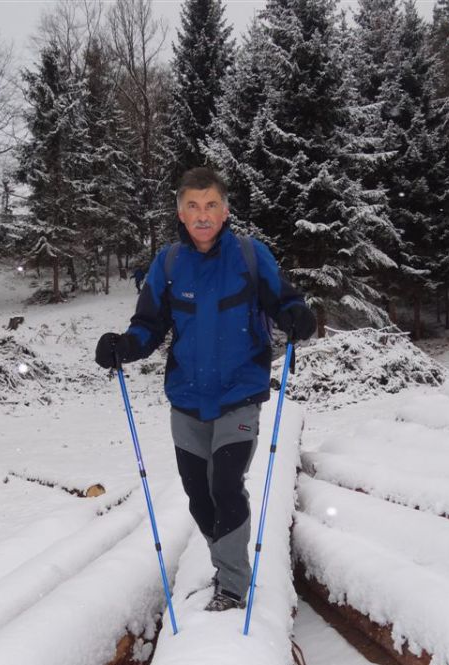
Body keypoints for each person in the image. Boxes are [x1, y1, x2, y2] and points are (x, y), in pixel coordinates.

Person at [94, 167, 316, 612]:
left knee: (226, 485)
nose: (202, 215)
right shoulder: (170, 263)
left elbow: (284, 301)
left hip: (239, 392)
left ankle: (234, 586)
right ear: (180, 212)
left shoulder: (252, 257)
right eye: (193, 206)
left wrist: (297, 315)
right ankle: (224, 564)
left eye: (211, 204)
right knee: (198, 495)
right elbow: (150, 325)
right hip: (188, 398)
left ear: (225, 209)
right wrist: (123, 347)